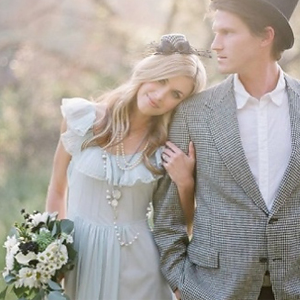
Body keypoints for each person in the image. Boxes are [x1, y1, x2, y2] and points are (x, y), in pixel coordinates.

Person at [152, 0, 300, 300]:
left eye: (227, 32)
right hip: (215, 290)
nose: (214, 44)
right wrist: (181, 282)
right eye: (215, 32)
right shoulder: (192, 112)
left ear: (265, 36)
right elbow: (168, 215)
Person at [45, 33, 207, 300]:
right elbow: (58, 187)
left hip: (140, 268)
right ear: (149, 71)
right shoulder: (83, 118)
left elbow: (180, 225)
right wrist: (52, 250)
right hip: (80, 257)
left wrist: (186, 183)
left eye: (175, 94)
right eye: (161, 80)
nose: (160, 95)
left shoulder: (165, 148)